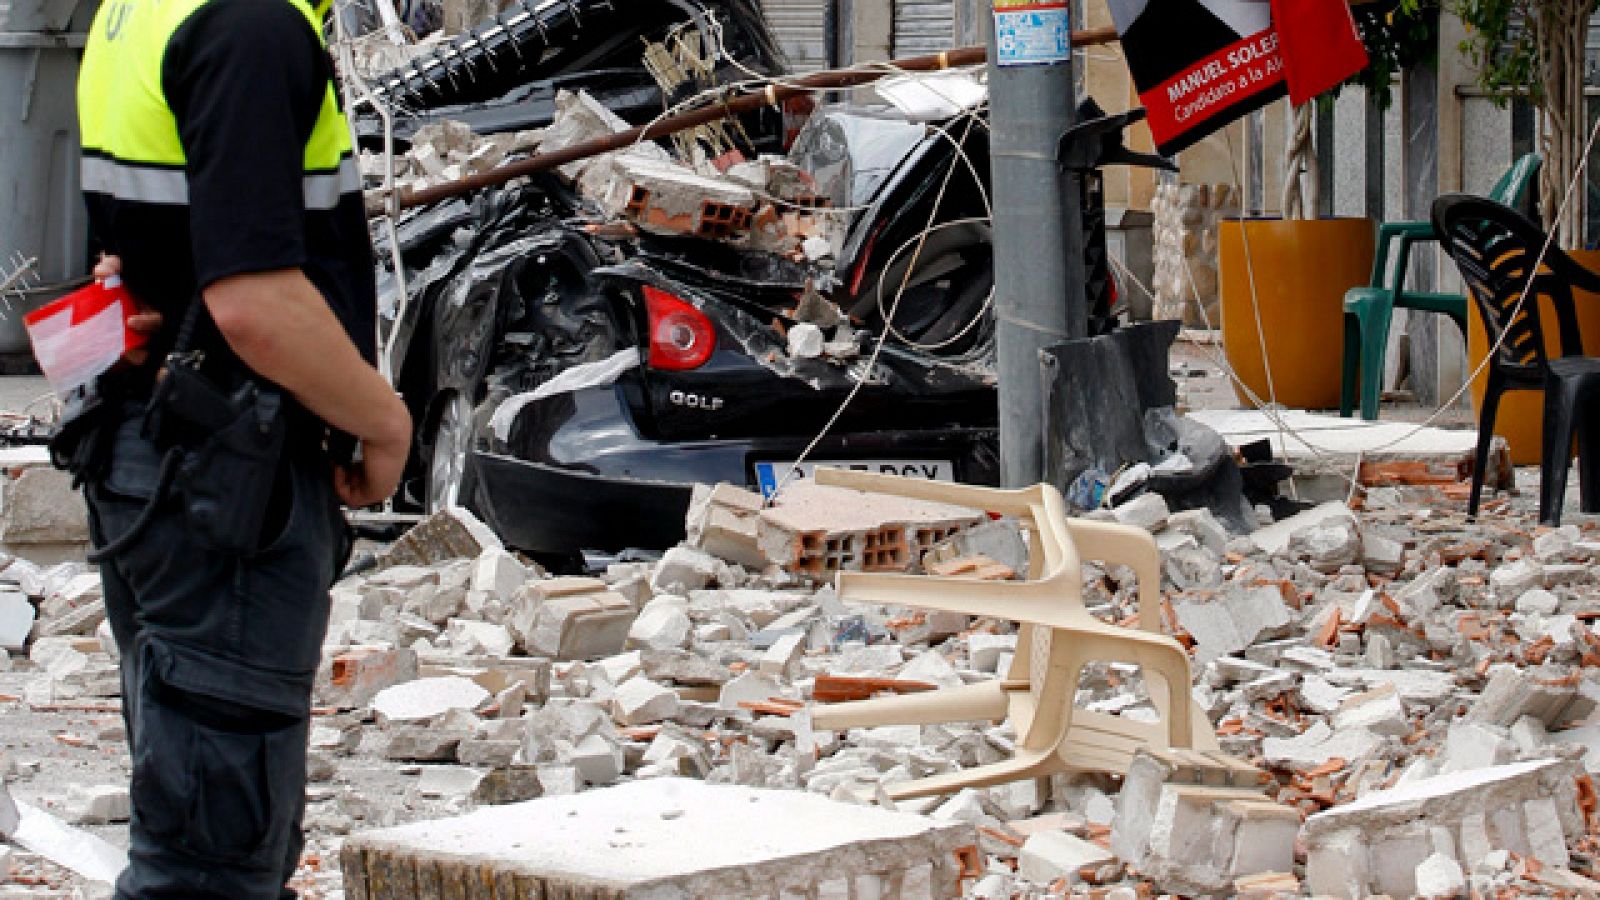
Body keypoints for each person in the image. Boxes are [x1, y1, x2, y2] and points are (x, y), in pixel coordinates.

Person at [72, 0, 412, 894]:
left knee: (192, 830)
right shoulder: (251, 25)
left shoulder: (140, 11)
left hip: (157, 455)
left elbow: (131, 255)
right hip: (229, 481)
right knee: (207, 869)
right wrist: (385, 424)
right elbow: (255, 303)